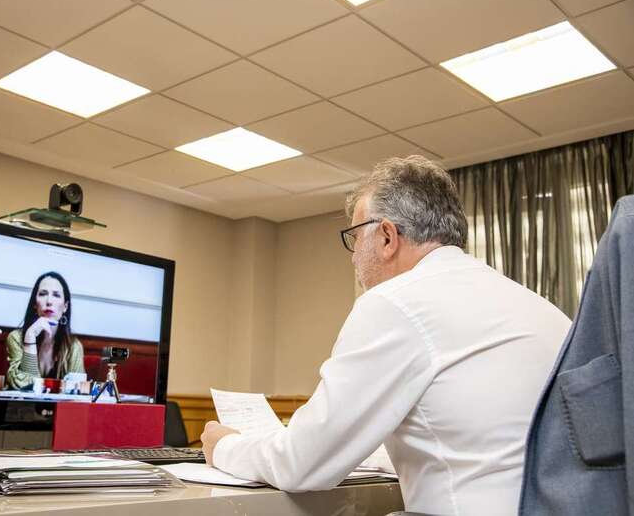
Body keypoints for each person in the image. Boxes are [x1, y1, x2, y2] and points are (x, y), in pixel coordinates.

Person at [201, 156, 572, 516]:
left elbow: (301, 464)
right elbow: (473, 442)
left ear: (387, 236)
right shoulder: (537, 306)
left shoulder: (395, 303)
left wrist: (225, 447)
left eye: (354, 238)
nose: (353, 259)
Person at [6, 271, 85, 391]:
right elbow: (25, 385)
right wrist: (30, 337)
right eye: (43, 294)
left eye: (56, 295)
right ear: (34, 304)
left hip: (59, 409)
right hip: (22, 409)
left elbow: (77, 393)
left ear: (65, 307)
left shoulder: (73, 346)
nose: (49, 301)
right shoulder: (16, 338)